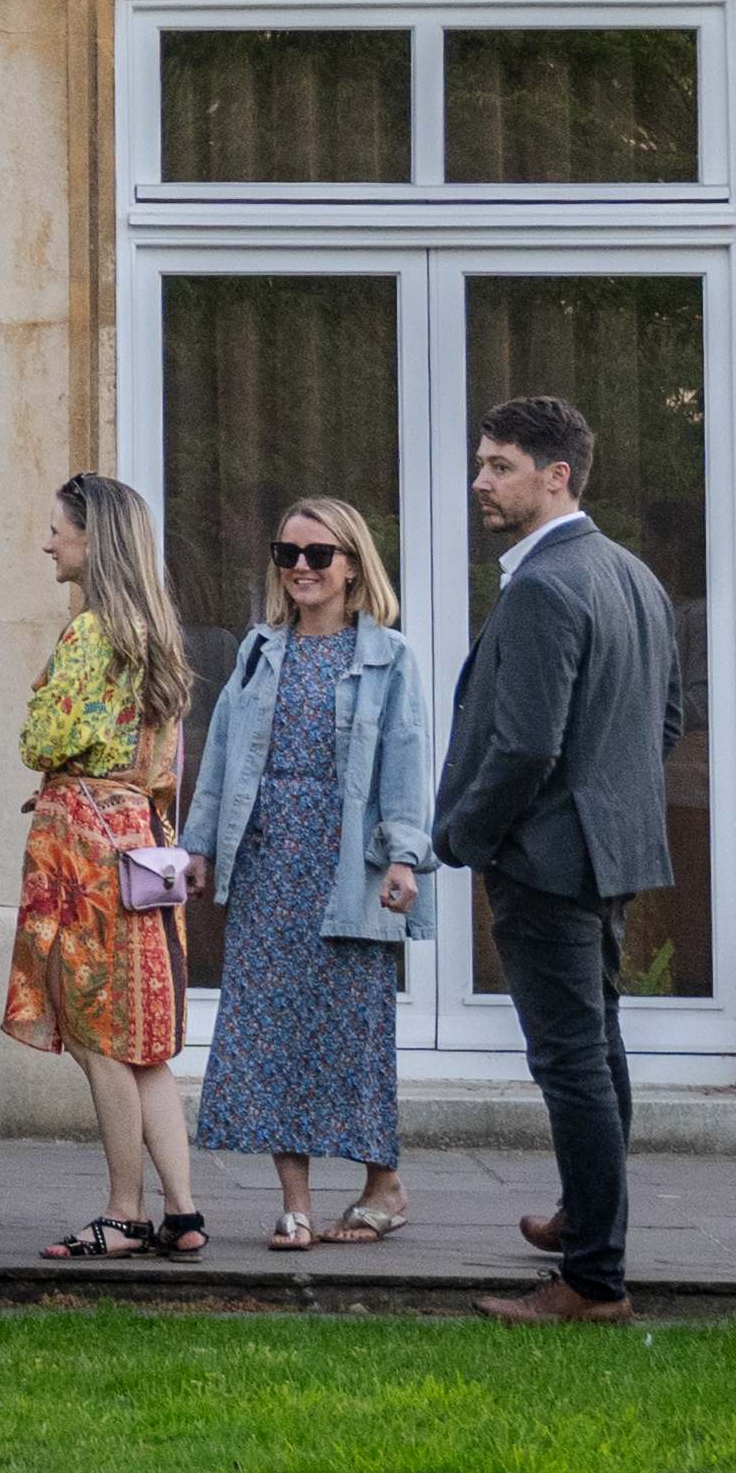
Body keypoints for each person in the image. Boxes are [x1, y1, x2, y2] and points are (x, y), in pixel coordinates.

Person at [441, 395, 684, 1324]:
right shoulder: (632, 575)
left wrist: (466, 834)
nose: (480, 483)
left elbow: (525, 746)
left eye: (499, 465)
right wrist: (603, 802)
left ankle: (592, 1279)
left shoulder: (547, 584)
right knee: (599, 1050)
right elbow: (662, 726)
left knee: (573, 1061)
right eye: (482, 464)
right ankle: (588, 1222)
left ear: (558, 477)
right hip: (607, 852)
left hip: (546, 860)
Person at [183, 491, 438, 1246]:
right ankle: (293, 1203)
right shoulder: (259, 651)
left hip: (345, 871)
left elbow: (406, 759)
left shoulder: (390, 656)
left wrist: (404, 855)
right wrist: (197, 847)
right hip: (268, 869)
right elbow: (223, 756)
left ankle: (382, 1186)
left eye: (318, 554)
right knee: (266, 1031)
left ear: (353, 567)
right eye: (287, 553)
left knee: (352, 1036)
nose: (301, 567)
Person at [0, 478, 203, 1261]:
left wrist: (52, 756)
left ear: (94, 540)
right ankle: (181, 1212)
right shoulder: (155, 633)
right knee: (142, 1037)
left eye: (58, 531)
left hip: (86, 855)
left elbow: (42, 740)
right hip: (140, 843)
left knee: (100, 1040)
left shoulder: (91, 635)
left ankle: (125, 1212)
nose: (49, 544)